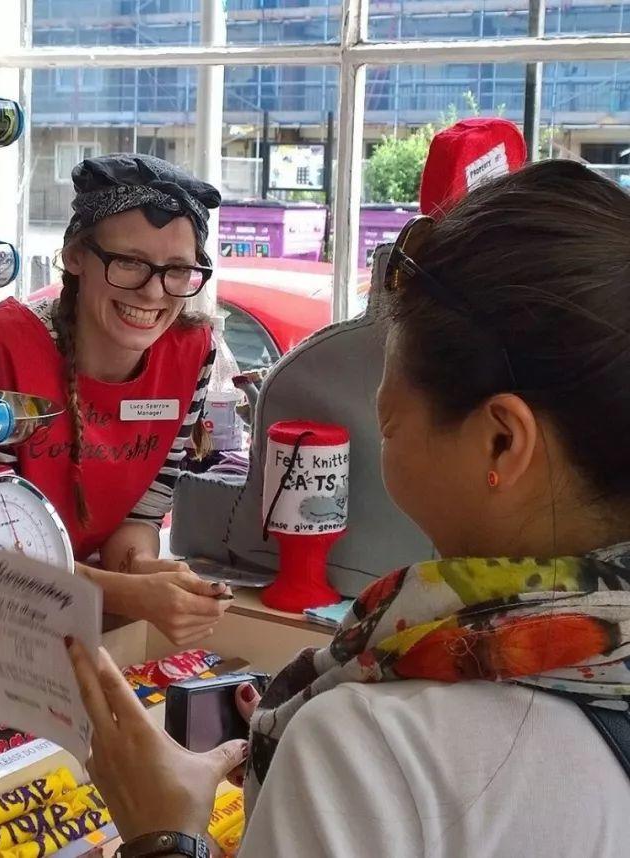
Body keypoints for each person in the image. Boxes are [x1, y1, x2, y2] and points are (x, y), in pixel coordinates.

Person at [68, 159, 630, 857]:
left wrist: (165, 831)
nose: (379, 396)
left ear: (500, 439)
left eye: (393, 369)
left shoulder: (374, 748)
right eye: (128, 263)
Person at [0, 154, 233, 646]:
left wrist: (144, 572)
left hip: (71, 623)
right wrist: (125, 594)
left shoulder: (191, 355)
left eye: (177, 269)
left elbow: (141, 514)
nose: (154, 292)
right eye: (129, 262)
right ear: (74, 256)